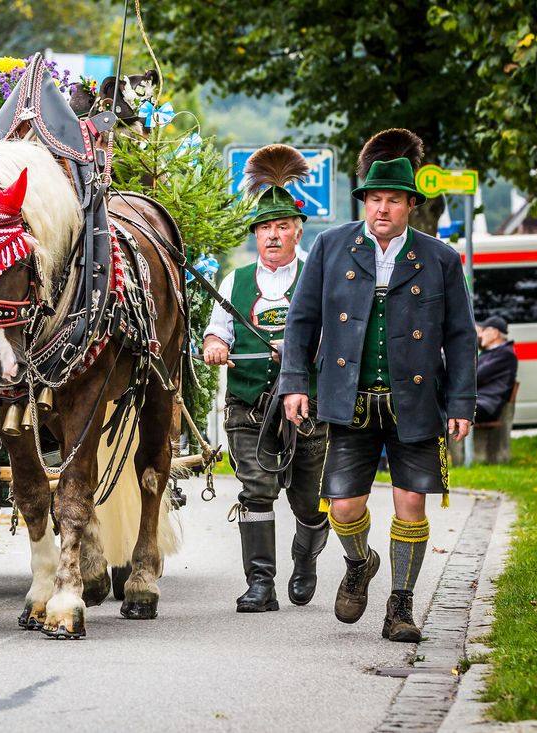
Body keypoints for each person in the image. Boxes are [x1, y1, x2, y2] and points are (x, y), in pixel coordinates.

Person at [279, 129, 477, 642]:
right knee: (344, 507)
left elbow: (460, 337)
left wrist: (461, 401)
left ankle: (401, 606)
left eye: (392, 199)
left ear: (411, 204)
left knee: (411, 502)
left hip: (415, 401)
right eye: (374, 199)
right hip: (350, 399)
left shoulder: (440, 258)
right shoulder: (330, 246)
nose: (382, 208)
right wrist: (295, 383)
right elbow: (302, 322)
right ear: (364, 201)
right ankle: (359, 561)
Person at [201, 144, 329, 613]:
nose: (272, 237)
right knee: (255, 490)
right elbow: (217, 332)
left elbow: (338, 335)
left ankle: (306, 558)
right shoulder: (235, 280)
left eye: (281, 228)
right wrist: (215, 346)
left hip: (309, 406)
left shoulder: (320, 276)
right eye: (264, 230)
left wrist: (306, 349)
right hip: (250, 405)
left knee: (308, 501)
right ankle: (260, 584)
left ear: (297, 231)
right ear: (255, 236)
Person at [475, 315, 518, 423]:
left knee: (445, 409)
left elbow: (475, 376)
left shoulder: (504, 354)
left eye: (483, 330)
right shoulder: (492, 353)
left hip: (487, 405)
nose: (480, 334)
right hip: (478, 402)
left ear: (494, 333)